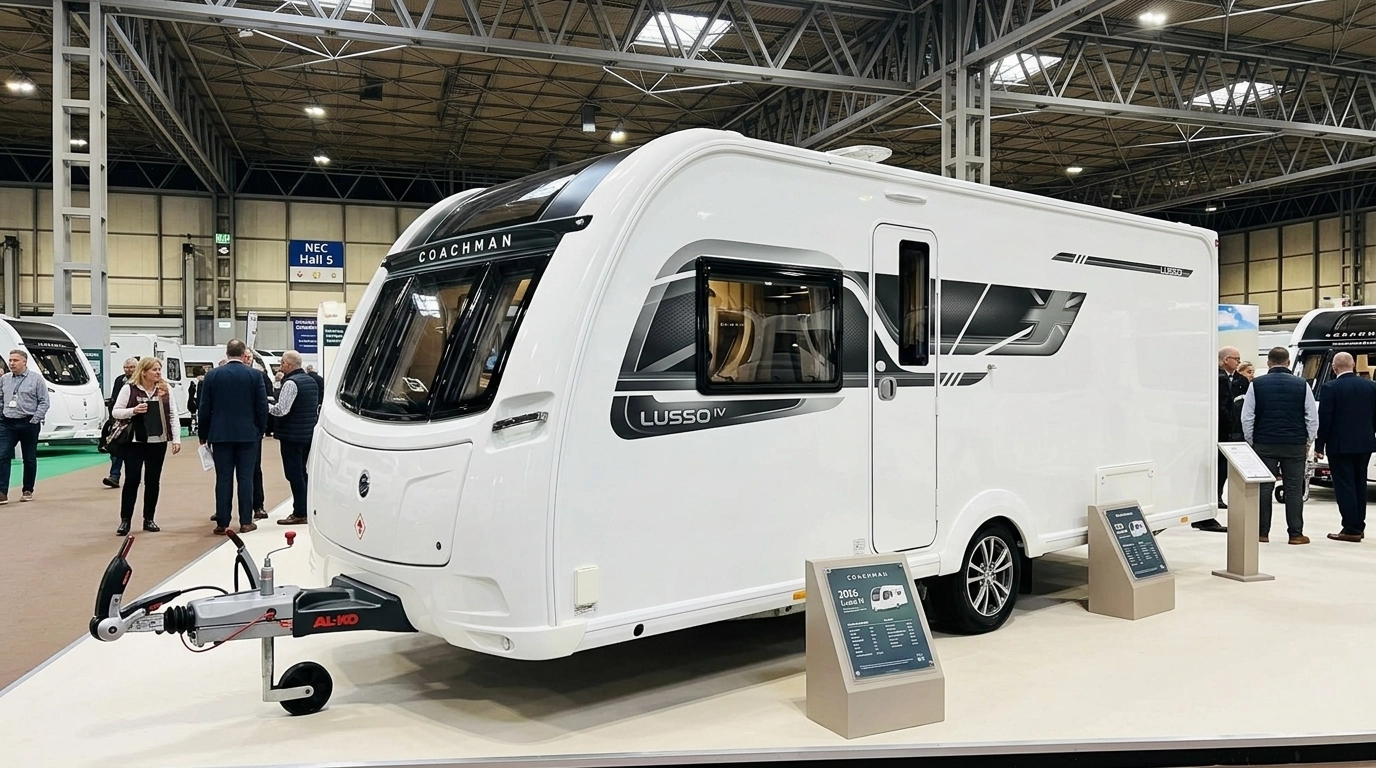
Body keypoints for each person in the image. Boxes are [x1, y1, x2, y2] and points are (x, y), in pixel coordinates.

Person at [1242, 346, 1319, 545]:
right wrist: (1307, 441)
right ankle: (1295, 534)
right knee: (1294, 489)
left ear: (1268, 362)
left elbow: (1247, 417)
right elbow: (1312, 417)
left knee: (1264, 489)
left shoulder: (1256, 385)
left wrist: (1252, 441)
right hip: (1294, 444)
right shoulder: (1302, 385)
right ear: (1287, 363)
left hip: (1264, 444)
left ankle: (1261, 533)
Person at [198, 339, 269, 535]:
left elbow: (204, 408)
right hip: (248, 435)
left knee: (223, 478)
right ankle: (246, 521)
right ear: (243, 353)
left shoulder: (212, 375)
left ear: (227, 353)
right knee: (246, 478)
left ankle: (222, 522)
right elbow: (261, 407)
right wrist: (260, 430)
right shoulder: (255, 375)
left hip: (220, 435)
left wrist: (203, 434)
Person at [110, 356, 182, 535]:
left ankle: (148, 518)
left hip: (158, 442)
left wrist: (176, 439)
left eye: (159, 369)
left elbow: (173, 414)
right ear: (144, 372)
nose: (158, 372)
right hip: (135, 442)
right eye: (154, 369)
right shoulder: (129, 388)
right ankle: (125, 520)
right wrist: (133, 411)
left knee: (153, 481)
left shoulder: (166, 389)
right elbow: (116, 411)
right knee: (132, 480)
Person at [1314, 352, 1376, 542]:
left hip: (1339, 445)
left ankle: (1350, 528)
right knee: (1359, 484)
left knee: (1344, 486)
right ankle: (1359, 524)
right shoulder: (1371, 386)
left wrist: (1319, 445)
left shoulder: (1330, 387)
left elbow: (1325, 419)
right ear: (1354, 365)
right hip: (1365, 443)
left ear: (1334, 367)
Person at [271, 351, 319, 525]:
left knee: (293, 474)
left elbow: (281, 409)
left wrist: (263, 405)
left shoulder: (291, 383)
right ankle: (306, 507)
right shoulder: (311, 381)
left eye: (282, 363)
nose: (280, 366)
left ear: (288, 364)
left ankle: (299, 512)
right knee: (302, 472)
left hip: (291, 435)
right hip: (307, 433)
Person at [0, 349, 49, 505]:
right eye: (10, 360)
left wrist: (35, 419)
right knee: (2, 455)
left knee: (29, 458)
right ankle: (2, 492)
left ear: (24, 362)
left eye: (15, 360)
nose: (12, 363)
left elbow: (44, 402)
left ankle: (28, 489)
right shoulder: (5, 379)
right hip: (7, 423)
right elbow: (1, 398)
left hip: (29, 423)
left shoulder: (36, 379)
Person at [1204, 346, 1244, 531]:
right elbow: (1223, 406)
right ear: (1226, 359)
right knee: (1217, 468)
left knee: (1221, 469)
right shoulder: (1218, 378)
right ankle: (1210, 505)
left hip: (1225, 431)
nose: (1239, 362)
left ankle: (1216, 499)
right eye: (1236, 358)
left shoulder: (1238, 379)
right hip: (1220, 431)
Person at [102, 357, 138, 489]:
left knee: (134, 451)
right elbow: (114, 398)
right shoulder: (119, 380)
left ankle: (133, 476)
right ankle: (114, 476)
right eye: (126, 367)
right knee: (116, 448)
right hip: (119, 420)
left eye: (131, 367)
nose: (128, 370)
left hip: (135, 420)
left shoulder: (141, 381)